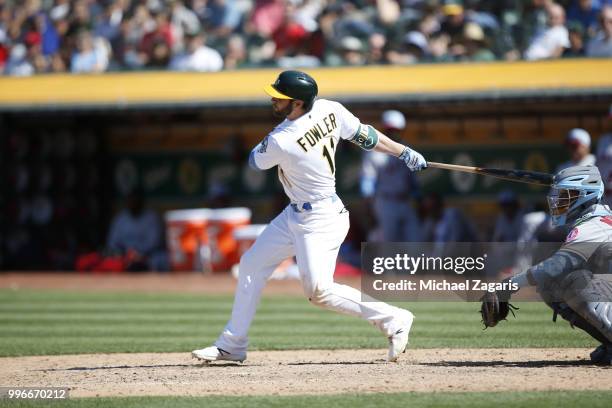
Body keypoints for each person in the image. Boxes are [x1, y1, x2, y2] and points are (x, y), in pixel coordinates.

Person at [192, 70, 427, 363]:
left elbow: (255, 161)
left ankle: (394, 318)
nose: (274, 100)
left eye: (281, 98)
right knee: (251, 264)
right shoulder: (330, 108)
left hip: (321, 219)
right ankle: (232, 344)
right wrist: (403, 151)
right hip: (295, 213)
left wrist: (402, 152)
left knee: (319, 292)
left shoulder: (282, 138)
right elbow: (367, 137)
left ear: (299, 103)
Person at [500, 166, 612, 364]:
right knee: (552, 286)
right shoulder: (596, 220)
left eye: (565, 196)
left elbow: (557, 266)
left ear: (584, 195)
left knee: (572, 281)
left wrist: (508, 286)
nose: (558, 202)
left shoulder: (592, 227)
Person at [360, 110, 421, 242]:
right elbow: (367, 183)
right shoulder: (373, 151)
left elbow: (413, 181)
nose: (393, 133)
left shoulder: (408, 150)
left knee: (415, 242)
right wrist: (368, 206)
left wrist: (418, 199)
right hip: (386, 201)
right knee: (390, 243)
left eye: (396, 130)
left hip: (405, 201)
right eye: (390, 129)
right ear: (384, 129)